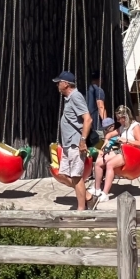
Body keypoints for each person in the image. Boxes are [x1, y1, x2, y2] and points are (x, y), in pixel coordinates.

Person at [51, 71, 93, 211]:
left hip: (75, 143)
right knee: (63, 175)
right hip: (68, 144)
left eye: (59, 82)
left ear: (66, 84)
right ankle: (87, 195)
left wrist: (82, 140)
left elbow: (88, 119)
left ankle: (81, 210)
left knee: (76, 176)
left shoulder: (76, 96)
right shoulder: (69, 98)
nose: (57, 85)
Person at [90, 106, 140, 202]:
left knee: (110, 164)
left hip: (132, 153)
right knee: (99, 161)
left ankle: (105, 193)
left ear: (126, 116)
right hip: (123, 150)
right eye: (117, 119)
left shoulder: (135, 126)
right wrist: (106, 141)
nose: (119, 121)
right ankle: (97, 188)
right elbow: (109, 134)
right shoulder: (123, 127)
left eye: (120, 118)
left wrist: (125, 140)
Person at [86, 70, 107, 139]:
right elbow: (100, 106)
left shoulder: (87, 90)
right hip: (97, 125)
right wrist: (106, 123)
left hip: (87, 125)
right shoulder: (98, 90)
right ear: (100, 79)